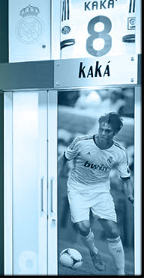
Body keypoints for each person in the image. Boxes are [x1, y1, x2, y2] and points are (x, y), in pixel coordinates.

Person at [58, 112, 134, 275]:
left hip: (100, 190)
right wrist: (54, 177)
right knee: (83, 227)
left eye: (108, 131)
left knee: (113, 231)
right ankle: (94, 251)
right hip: (77, 188)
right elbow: (63, 158)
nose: (103, 133)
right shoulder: (81, 142)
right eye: (102, 129)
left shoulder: (120, 152)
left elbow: (126, 178)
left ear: (115, 133)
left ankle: (121, 272)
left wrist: (130, 195)